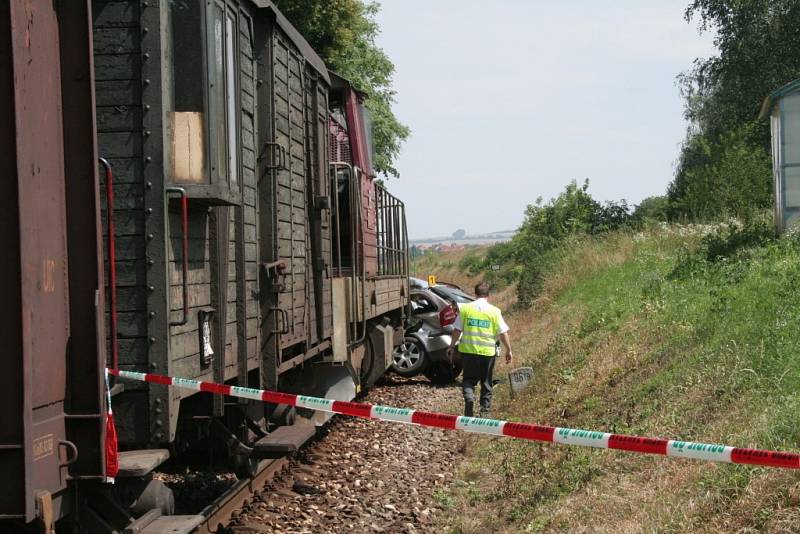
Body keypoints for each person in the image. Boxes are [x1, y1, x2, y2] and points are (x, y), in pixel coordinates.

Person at [446, 282, 513, 417]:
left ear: (475, 294)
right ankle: (484, 411)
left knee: (468, 380)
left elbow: (457, 330)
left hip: (469, 352)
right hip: (488, 353)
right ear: (488, 295)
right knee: (486, 381)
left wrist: (451, 346)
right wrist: (508, 350)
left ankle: (470, 398)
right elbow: (503, 332)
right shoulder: (494, 311)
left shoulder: (465, 309)